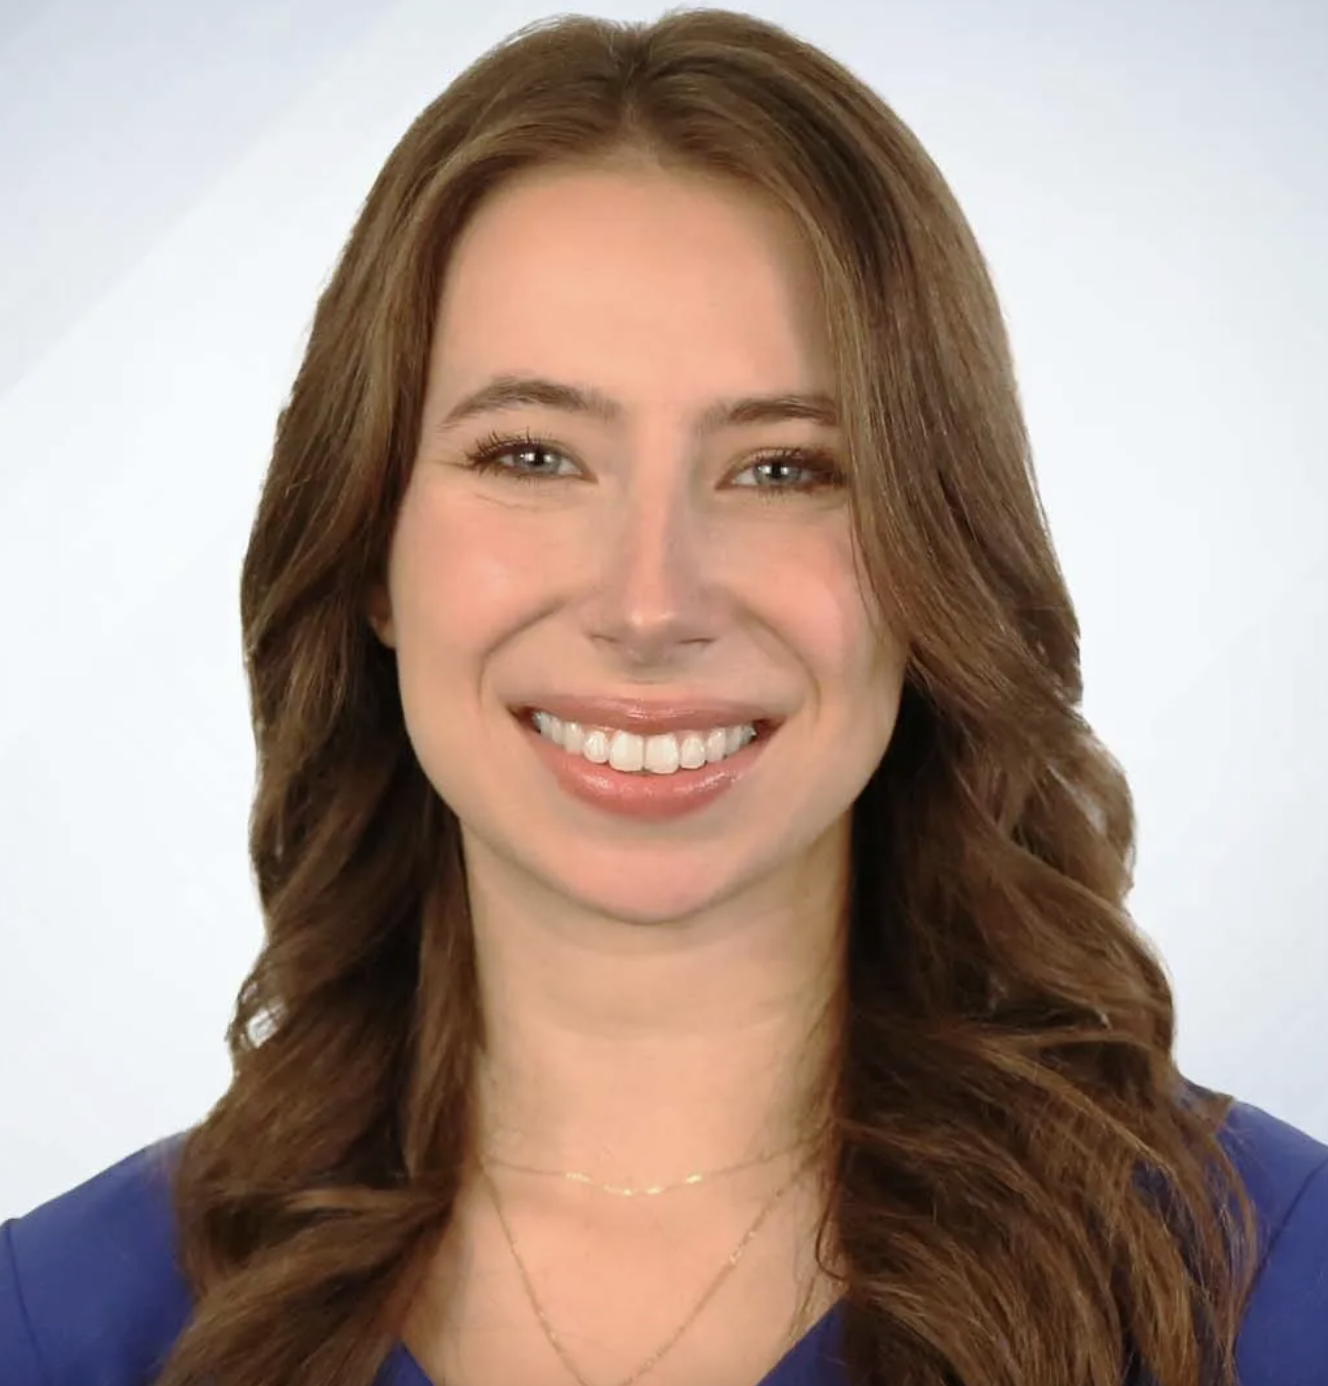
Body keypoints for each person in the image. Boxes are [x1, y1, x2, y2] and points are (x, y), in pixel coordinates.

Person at [2, 8, 1325, 1386]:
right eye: (529, 454)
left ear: (938, 561)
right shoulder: (59, 1322)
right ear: (370, 550)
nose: (650, 603)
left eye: (783, 469)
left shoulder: (1266, 1284)